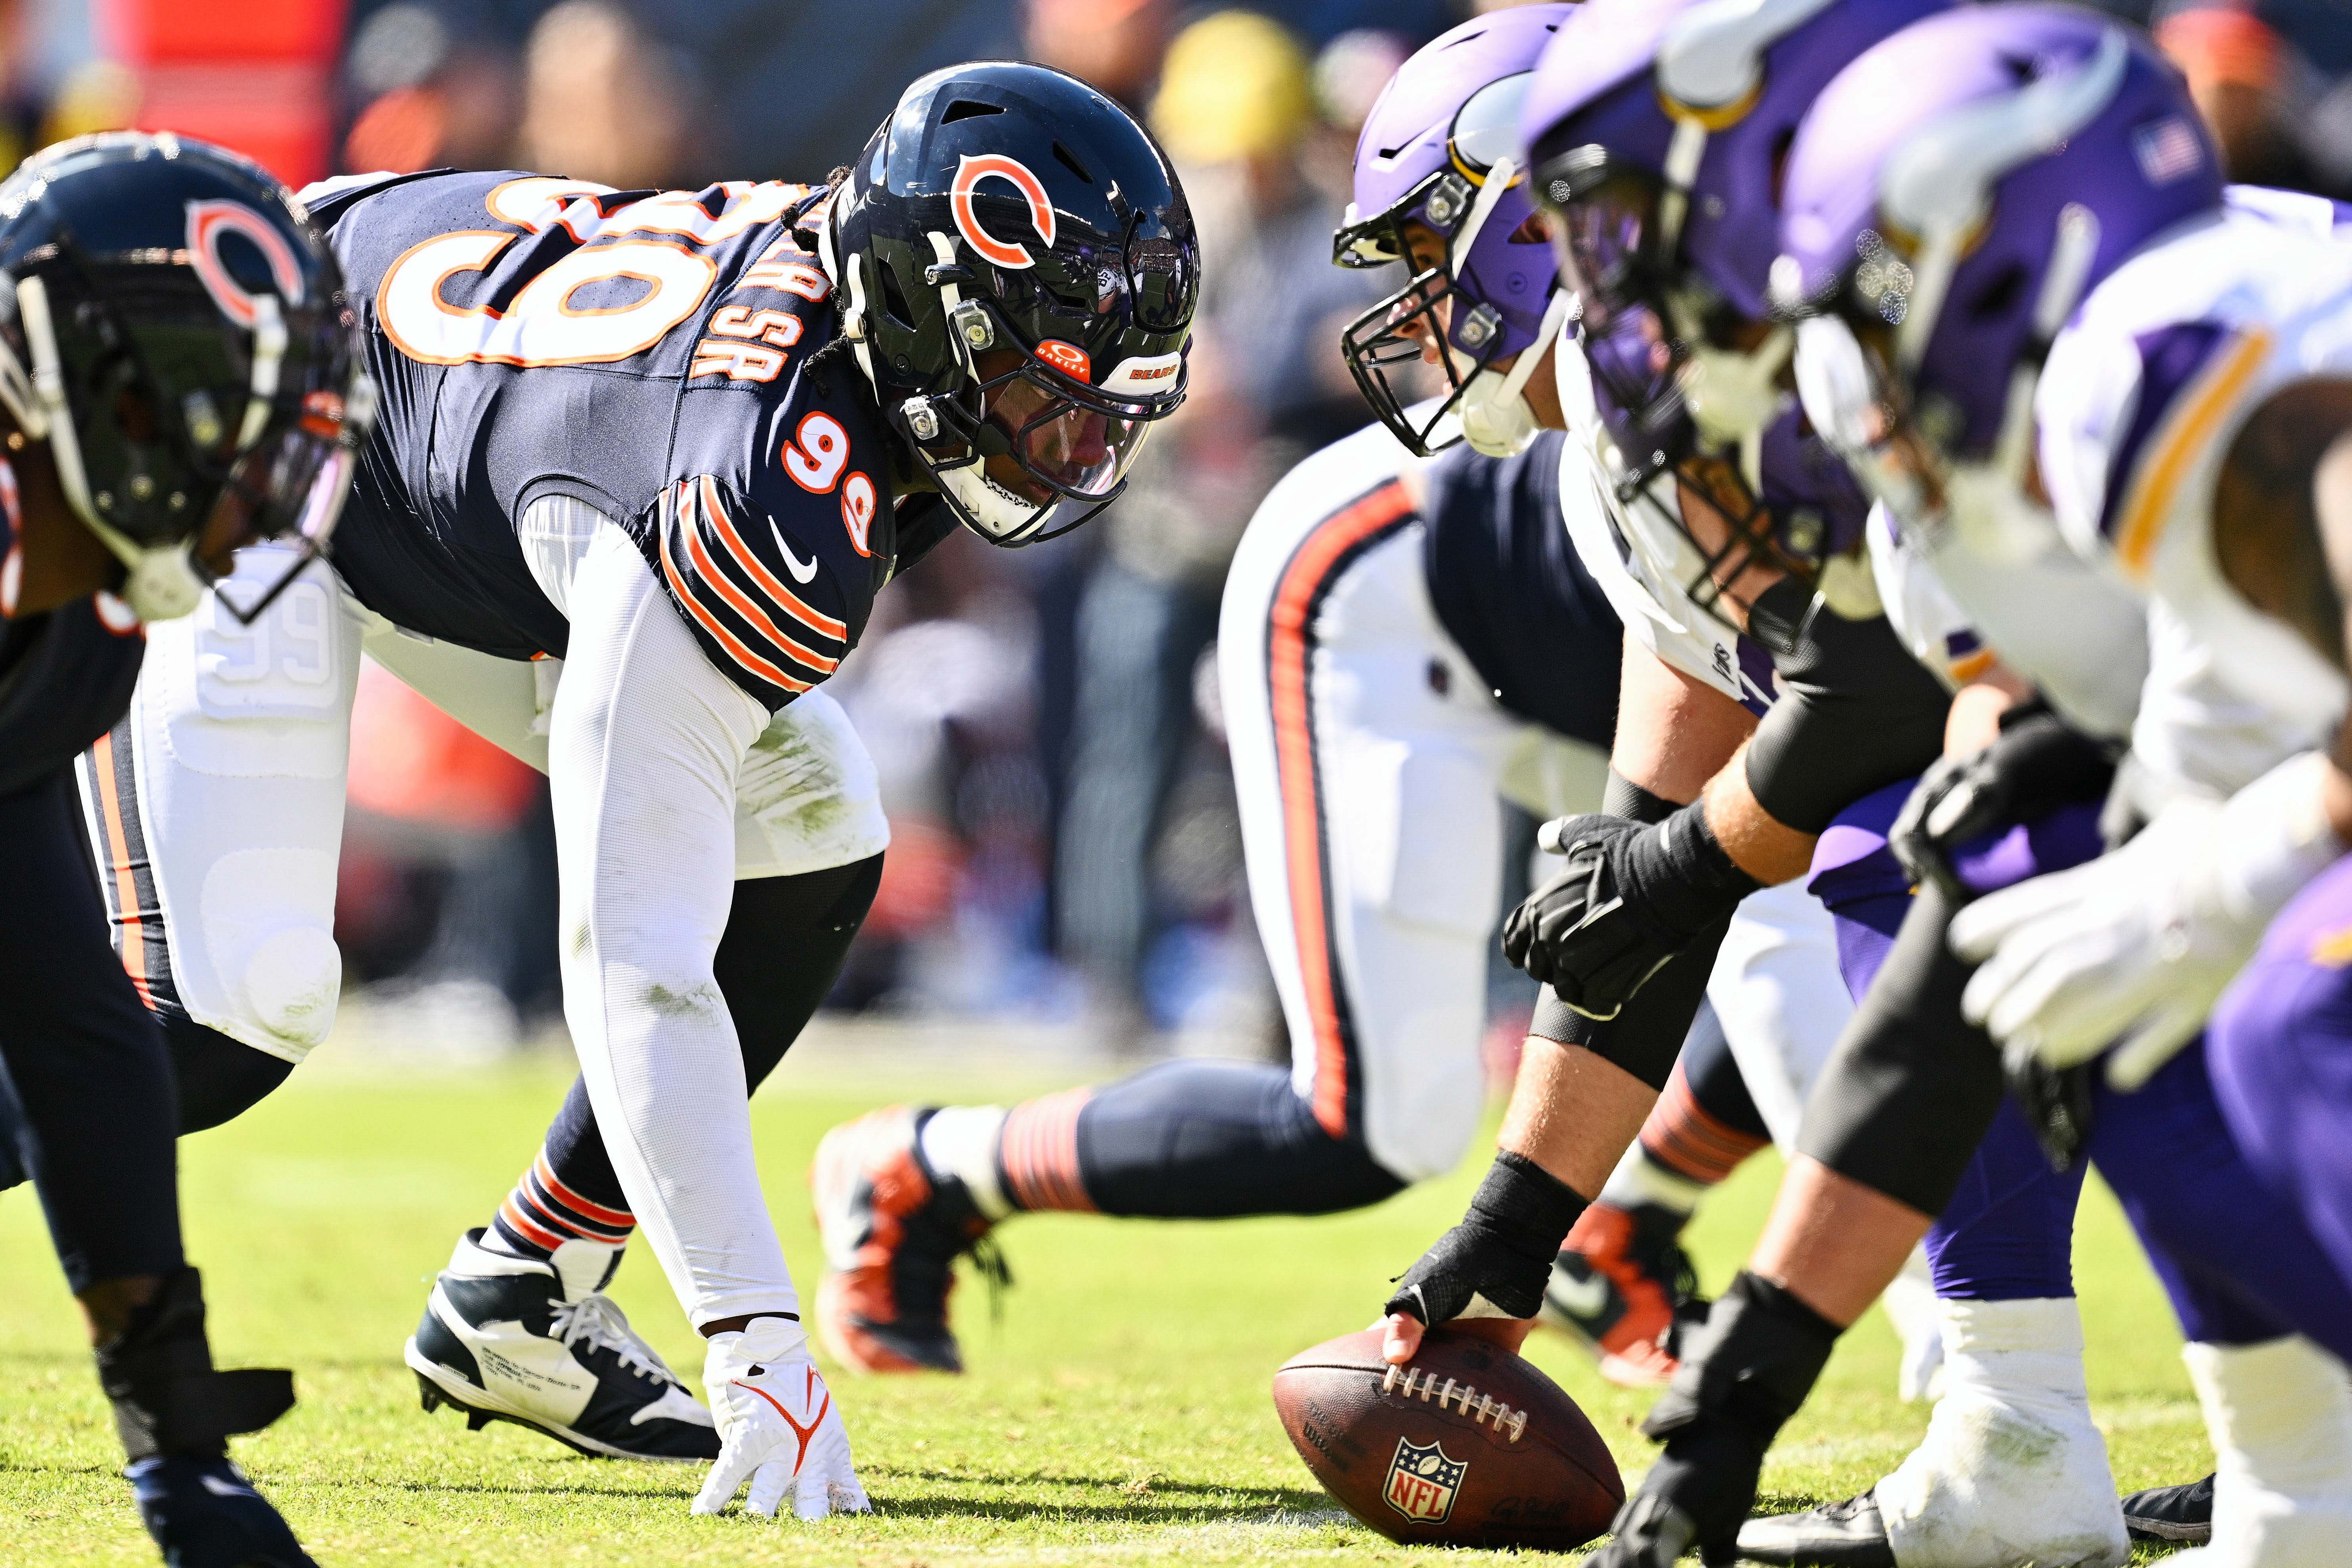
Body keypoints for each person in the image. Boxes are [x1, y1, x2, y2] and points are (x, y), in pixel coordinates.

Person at [44, 63, 1199, 1515]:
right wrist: (757, 1344)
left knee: (817, 825)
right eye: (1046, 388)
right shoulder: (745, 478)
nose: (1077, 446)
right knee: (224, 1007)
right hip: (242, 420)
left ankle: (525, 1291)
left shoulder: (842, 323)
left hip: (421, 438)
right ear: (925, 316)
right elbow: (634, 964)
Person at [808, 7, 1868, 1385]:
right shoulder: (1642, 390)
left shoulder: (1745, 349)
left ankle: (1641, 1223)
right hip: (1388, 599)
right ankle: (921, 1169)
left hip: (1585, 662)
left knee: (1832, 901)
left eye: (1438, 251)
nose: (1422, 307)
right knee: (1380, 1119)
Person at [1586, 8, 2352, 1563]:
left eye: (1870, 301)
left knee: (2276, 999)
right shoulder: (2023, 473)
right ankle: (2307, 1493)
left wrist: (2235, 858)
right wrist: (1742, 1385)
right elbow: (1962, 963)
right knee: (2092, 959)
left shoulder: (2189, 345)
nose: (1849, 382)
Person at [0, 132, 373, 1568]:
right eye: (226, 419)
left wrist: (179, 1449)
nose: (257, 483)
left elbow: (73, 1030)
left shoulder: (68, 630)